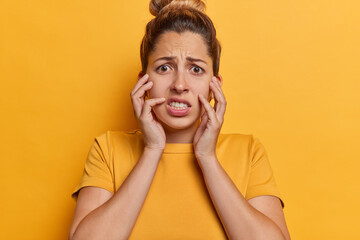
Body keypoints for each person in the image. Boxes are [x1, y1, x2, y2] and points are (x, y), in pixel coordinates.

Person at [69, 0, 291, 239]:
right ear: (143, 82)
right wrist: (153, 149)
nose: (179, 85)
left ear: (214, 85)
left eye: (196, 69)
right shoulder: (108, 149)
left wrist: (207, 158)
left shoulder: (249, 152)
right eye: (165, 68)